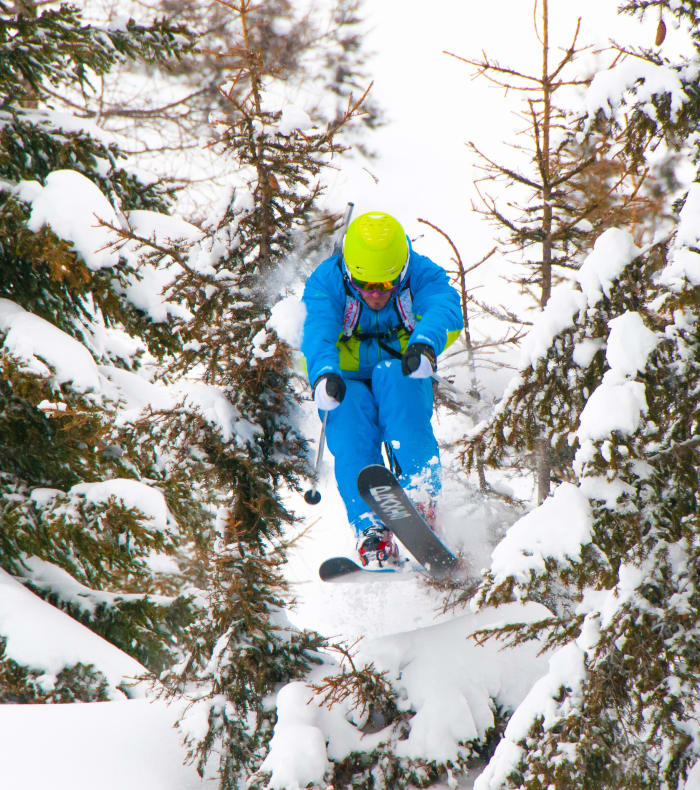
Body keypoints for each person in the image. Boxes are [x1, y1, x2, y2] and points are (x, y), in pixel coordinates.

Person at [301, 211, 463, 569]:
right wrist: (324, 374)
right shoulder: (327, 281)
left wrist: (424, 345)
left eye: (386, 285)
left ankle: (420, 495)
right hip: (345, 376)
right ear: (349, 274)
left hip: (404, 363)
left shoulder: (421, 273)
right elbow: (317, 330)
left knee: (398, 385)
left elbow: (444, 306)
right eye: (365, 286)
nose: (376, 294)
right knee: (348, 418)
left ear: (401, 273)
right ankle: (370, 529)